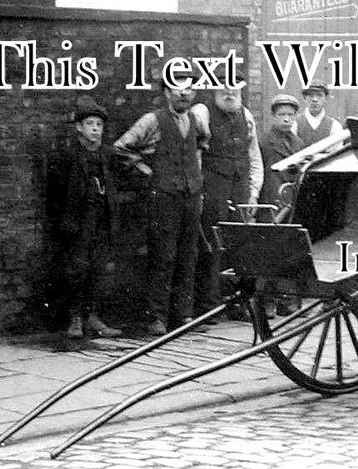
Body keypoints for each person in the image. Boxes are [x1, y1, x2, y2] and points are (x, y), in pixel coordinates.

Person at [114, 81, 208, 336]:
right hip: (163, 198)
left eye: (189, 89)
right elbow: (120, 147)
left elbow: (201, 145)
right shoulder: (152, 120)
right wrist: (144, 169)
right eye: (177, 88)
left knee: (189, 255)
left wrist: (195, 177)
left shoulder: (197, 120)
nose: (183, 93)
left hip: (191, 196)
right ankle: (157, 317)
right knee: (163, 256)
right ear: (167, 92)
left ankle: (183, 313)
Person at [46, 98, 122, 339]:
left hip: (102, 219)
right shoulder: (68, 156)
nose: (95, 129)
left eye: (99, 124)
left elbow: (116, 184)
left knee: (99, 271)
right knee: (77, 270)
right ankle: (75, 318)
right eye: (89, 123)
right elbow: (55, 193)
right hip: (79, 221)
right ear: (79, 127)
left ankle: (93, 316)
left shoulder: (108, 155)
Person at [190, 82, 262, 320]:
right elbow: (195, 154)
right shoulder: (202, 112)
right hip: (213, 189)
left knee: (239, 245)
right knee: (211, 245)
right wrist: (198, 190)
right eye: (224, 87)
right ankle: (209, 305)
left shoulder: (247, 115)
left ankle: (236, 303)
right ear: (213, 90)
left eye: (235, 88)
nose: (229, 93)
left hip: (239, 190)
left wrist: (253, 193)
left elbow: (254, 158)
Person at [259, 93, 305, 221]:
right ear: (273, 116)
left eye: (290, 115)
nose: (286, 119)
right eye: (282, 115)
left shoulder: (298, 143)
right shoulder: (264, 141)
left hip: (292, 199)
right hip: (271, 200)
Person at [296, 81, 341, 147]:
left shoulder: (335, 126)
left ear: (326, 98)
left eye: (319, 95)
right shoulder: (295, 123)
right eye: (311, 95)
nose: (315, 99)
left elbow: (337, 153)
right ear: (304, 98)